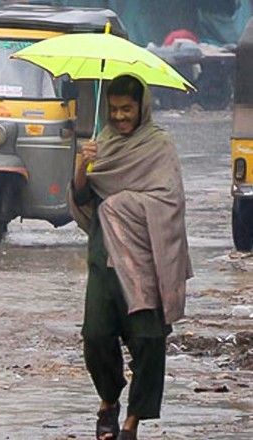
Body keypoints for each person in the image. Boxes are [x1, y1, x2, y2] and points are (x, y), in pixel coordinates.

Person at [69, 74, 193, 440]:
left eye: (127, 109)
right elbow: (81, 198)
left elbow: (170, 202)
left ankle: (131, 422)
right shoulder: (100, 143)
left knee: (148, 340)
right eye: (114, 110)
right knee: (95, 335)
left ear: (142, 108)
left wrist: (122, 205)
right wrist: (82, 165)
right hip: (103, 255)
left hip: (146, 257)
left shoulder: (160, 146)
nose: (121, 117)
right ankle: (109, 400)